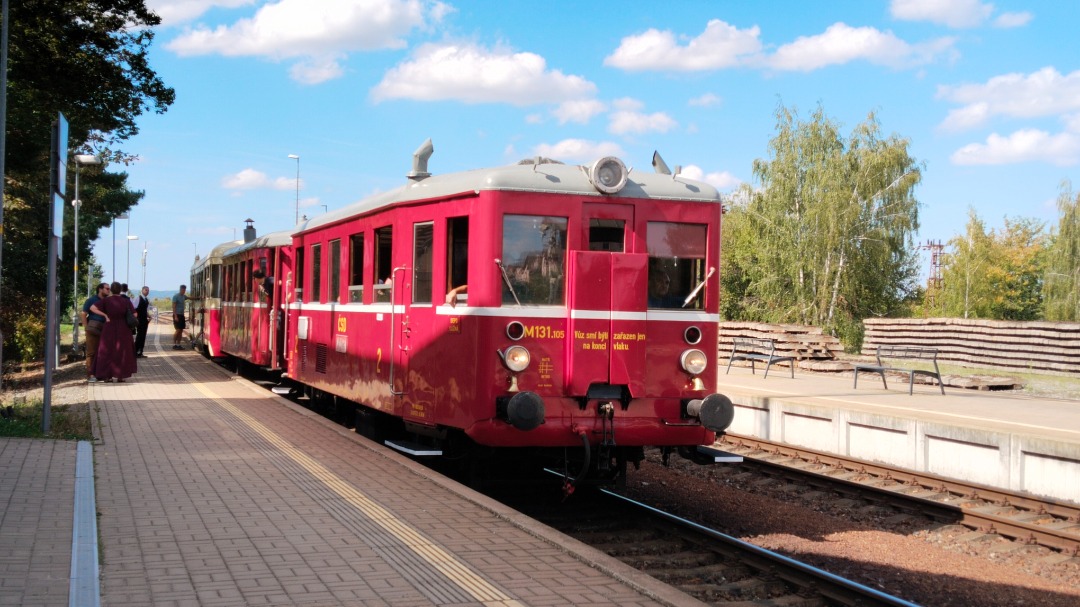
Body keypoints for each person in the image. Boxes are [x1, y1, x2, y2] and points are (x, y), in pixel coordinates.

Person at [89, 282, 137, 382]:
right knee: (122, 351)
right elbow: (135, 314)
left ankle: (107, 376)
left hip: (109, 326)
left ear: (111, 290)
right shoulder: (126, 301)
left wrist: (105, 315)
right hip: (124, 328)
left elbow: (92, 308)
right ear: (120, 290)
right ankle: (120, 376)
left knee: (107, 351)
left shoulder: (106, 300)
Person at [80, 282, 110, 383]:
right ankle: (91, 374)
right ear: (100, 289)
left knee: (103, 352)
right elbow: (84, 314)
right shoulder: (91, 300)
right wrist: (86, 327)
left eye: (109, 289)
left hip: (105, 329)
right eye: (107, 288)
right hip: (93, 329)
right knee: (92, 352)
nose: (108, 290)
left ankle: (101, 373)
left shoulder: (108, 301)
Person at [171, 284, 196, 350]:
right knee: (178, 330)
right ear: (180, 289)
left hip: (182, 315)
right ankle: (174, 344)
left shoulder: (183, 296)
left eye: (184, 290)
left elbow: (189, 298)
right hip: (177, 315)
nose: (184, 291)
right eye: (183, 290)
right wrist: (175, 316)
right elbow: (174, 307)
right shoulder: (175, 296)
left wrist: (198, 297)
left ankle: (178, 344)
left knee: (181, 330)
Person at [134, 286, 151, 357]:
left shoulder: (146, 300)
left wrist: (149, 316)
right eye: (146, 290)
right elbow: (134, 309)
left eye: (148, 290)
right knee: (139, 335)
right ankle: (135, 351)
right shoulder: (138, 298)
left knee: (143, 336)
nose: (147, 291)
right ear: (142, 290)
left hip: (144, 320)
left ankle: (140, 351)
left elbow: (145, 310)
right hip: (139, 320)